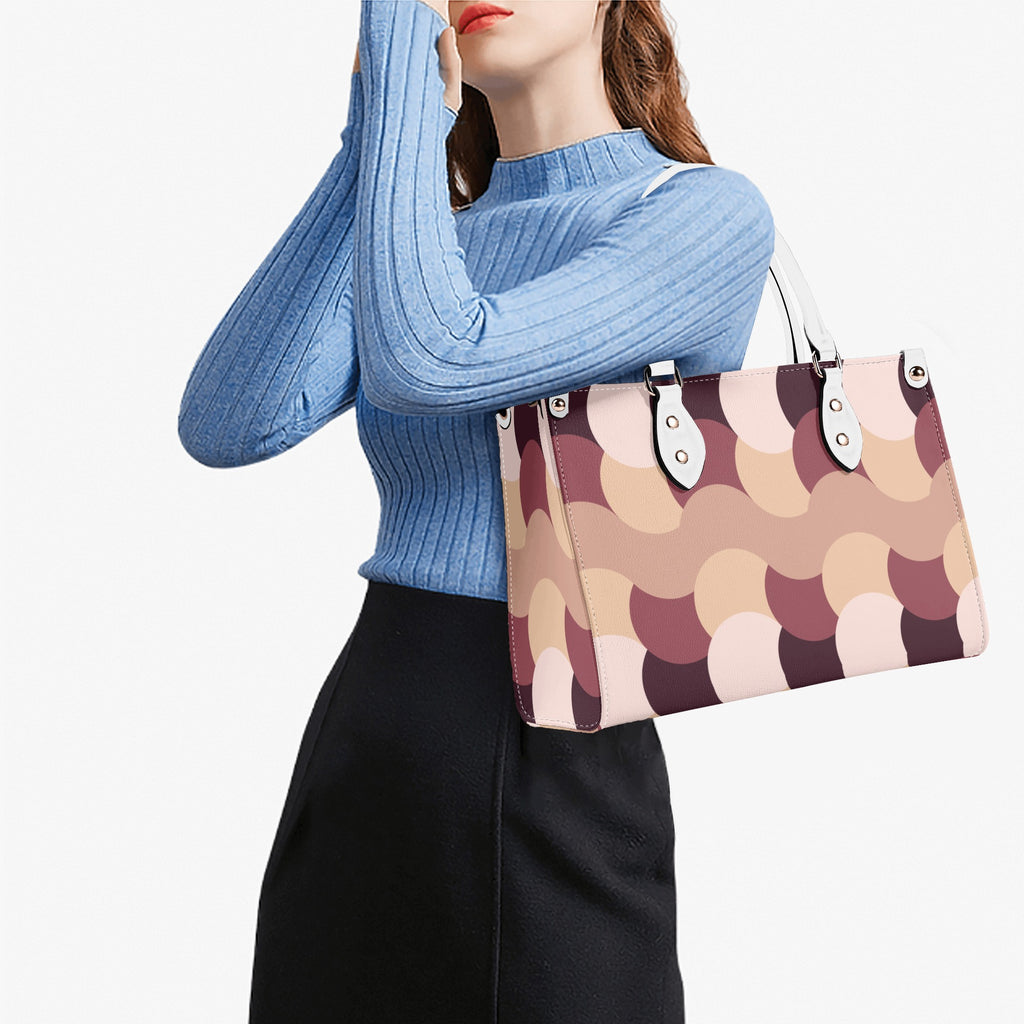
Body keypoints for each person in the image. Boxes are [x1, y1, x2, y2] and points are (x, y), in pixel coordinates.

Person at [177, 1, 774, 1020]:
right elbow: (233, 417)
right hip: (374, 727)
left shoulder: (698, 214)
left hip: (560, 752)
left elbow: (434, 355)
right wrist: (377, 132)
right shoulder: (427, 240)